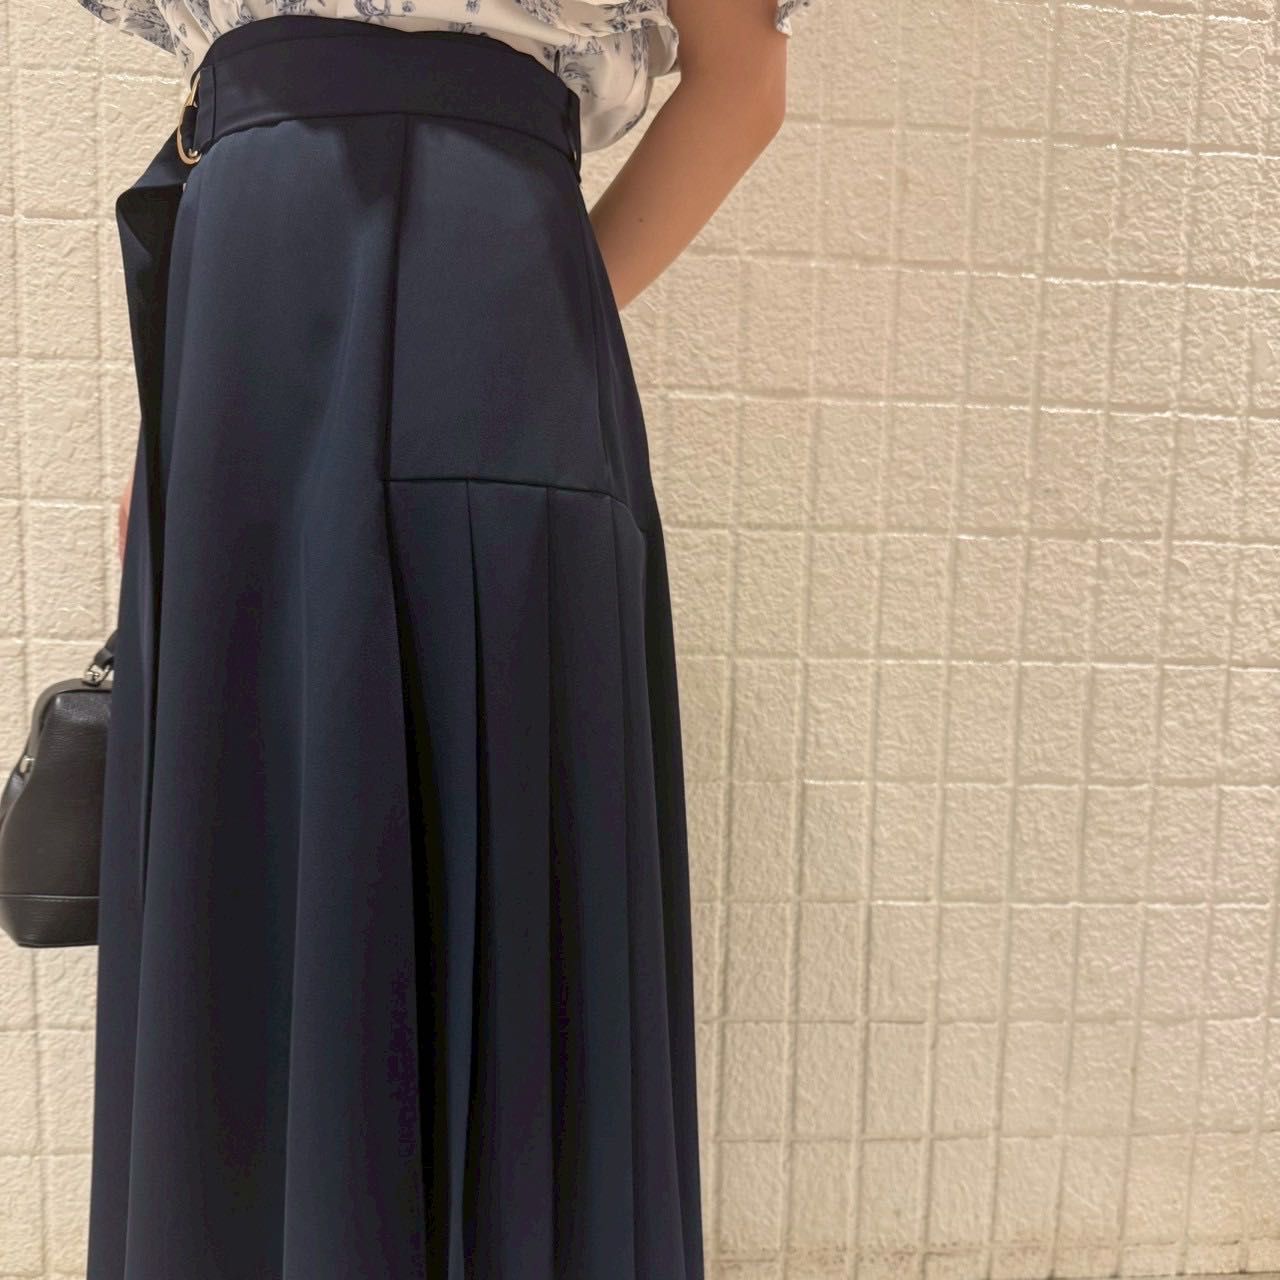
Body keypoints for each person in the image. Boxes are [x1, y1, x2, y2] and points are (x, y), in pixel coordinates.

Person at [73, 0, 817, 1274]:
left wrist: (540, 300)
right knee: (246, 900)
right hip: (239, 316)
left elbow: (740, 78)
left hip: (483, 286)